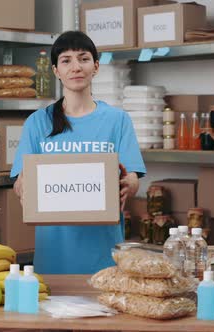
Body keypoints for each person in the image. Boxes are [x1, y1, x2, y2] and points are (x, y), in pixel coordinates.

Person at [11, 31, 146, 274]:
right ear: (55, 70)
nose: (76, 67)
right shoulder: (37, 122)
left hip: (104, 255)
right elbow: (21, 182)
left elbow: (133, 177)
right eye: (66, 60)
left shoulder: (118, 120)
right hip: (53, 254)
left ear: (95, 66)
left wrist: (130, 184)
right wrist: (22, 187)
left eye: (83, 59)